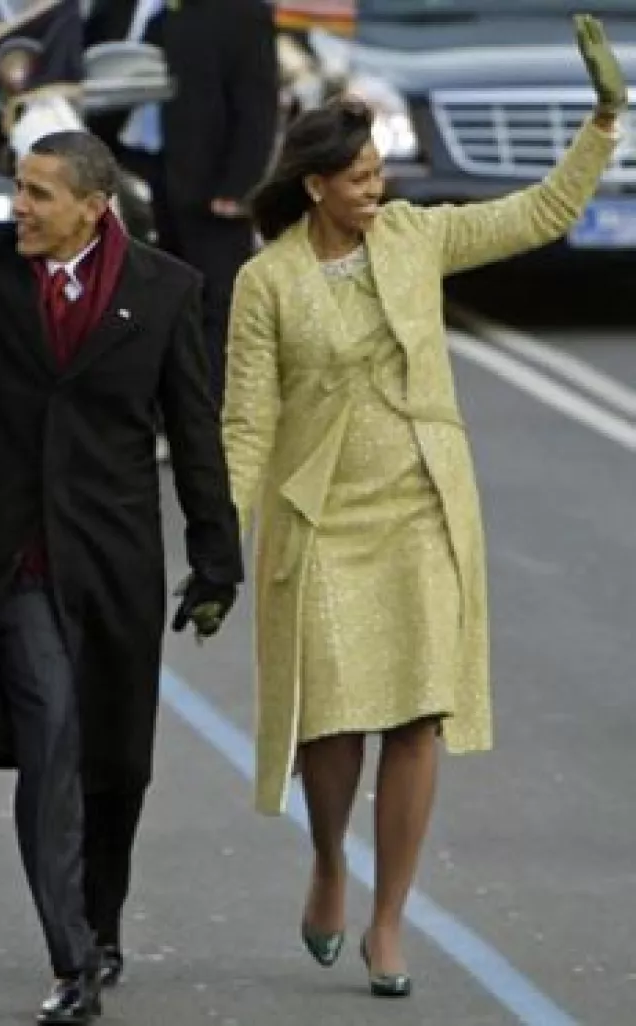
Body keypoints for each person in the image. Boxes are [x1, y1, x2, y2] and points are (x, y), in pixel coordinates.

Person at [222, 14, 626, 998]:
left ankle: (388, 919)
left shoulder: (414, 237)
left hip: (419, 505)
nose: (377, 187)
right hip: (317, 520)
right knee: (331, 724)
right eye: (358, 176)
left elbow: (535, 214)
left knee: (413, 719)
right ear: (314, 184)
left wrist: (602, 123)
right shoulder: (263, 282)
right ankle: (329, 861)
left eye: (379, 172)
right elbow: (244, 421)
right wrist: (216, 541)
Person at [0, 130, 242, 1024]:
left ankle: (99, 927)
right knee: (55, 747)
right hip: (14, 565)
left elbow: (194, 434)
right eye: (17, 189)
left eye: (37, 193)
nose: (17, 207)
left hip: (114, 567)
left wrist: (217, 560)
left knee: (117, 767)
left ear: (93, 206)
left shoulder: (165, 289)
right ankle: (72, 962)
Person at [84, 0, 279, 405]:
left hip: (208, 183)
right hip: (128, 170)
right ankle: (149, 405)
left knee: (213, 301)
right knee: (140, 300)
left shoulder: (241, 12)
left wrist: (239, 185)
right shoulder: (113, 9)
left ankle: (207, 413)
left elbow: (256, 104)